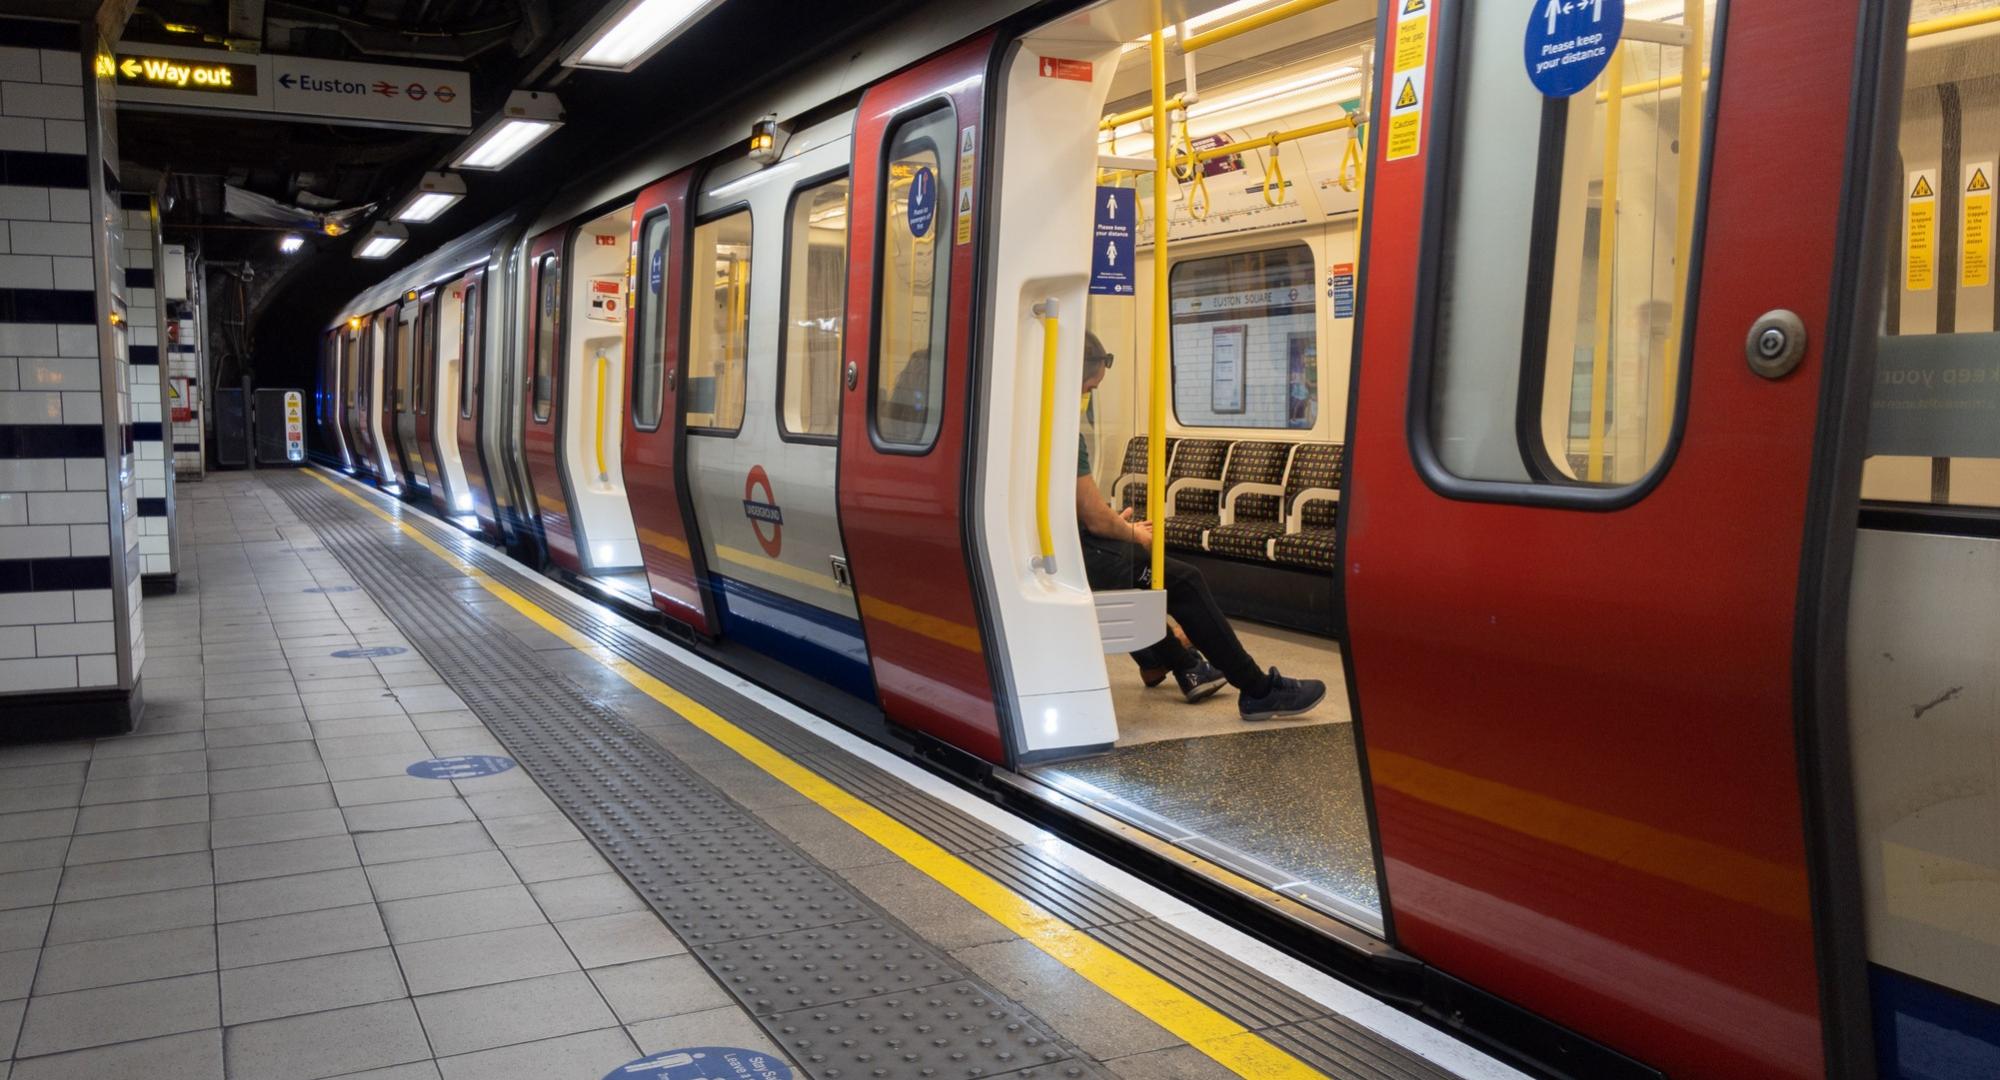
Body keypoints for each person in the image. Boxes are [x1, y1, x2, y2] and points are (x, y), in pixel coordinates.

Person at [1075, 333, 1326, 721]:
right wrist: (1131, 533)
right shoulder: (1063, 433)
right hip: (1078, 549)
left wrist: (1113, 525)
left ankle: (1172, 660)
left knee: (1141, 570)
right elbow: (1092, 515)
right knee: (1182, 580)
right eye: (1089, 388)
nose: (1088, 398)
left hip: (1066, 543)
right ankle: (1257, 689)